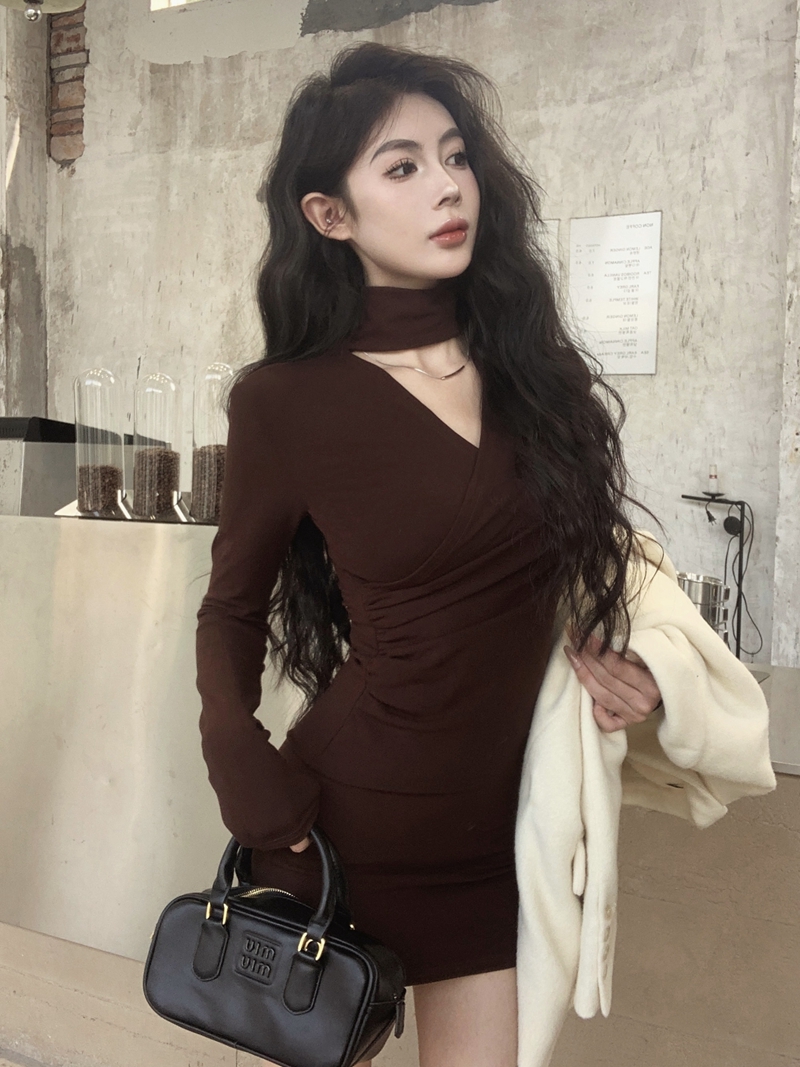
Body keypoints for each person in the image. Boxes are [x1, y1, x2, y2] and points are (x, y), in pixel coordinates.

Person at [195, 42, 664, 1067]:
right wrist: (236, 753)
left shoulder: (535, 376)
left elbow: (591, 579)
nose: (447, 185)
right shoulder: (285, 400)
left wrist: (638, 669)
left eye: (454, 156)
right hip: (341, 825)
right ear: (330, 214)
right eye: (401, 166)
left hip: (492, 833)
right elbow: (230, 605)